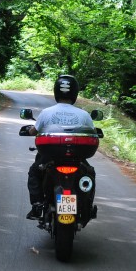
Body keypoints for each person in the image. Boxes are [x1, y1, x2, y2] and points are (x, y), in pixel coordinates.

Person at [25, 74, 96, 220]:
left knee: (35, 172)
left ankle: (37, 205)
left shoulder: (46, 113)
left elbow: (34, 131)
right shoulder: (84, 115)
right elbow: (92, 132)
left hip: (50, 156)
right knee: (90, 174)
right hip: (77, 157)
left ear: (56, 91)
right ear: (75, 93)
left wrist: (30, 130)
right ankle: (87, 207)